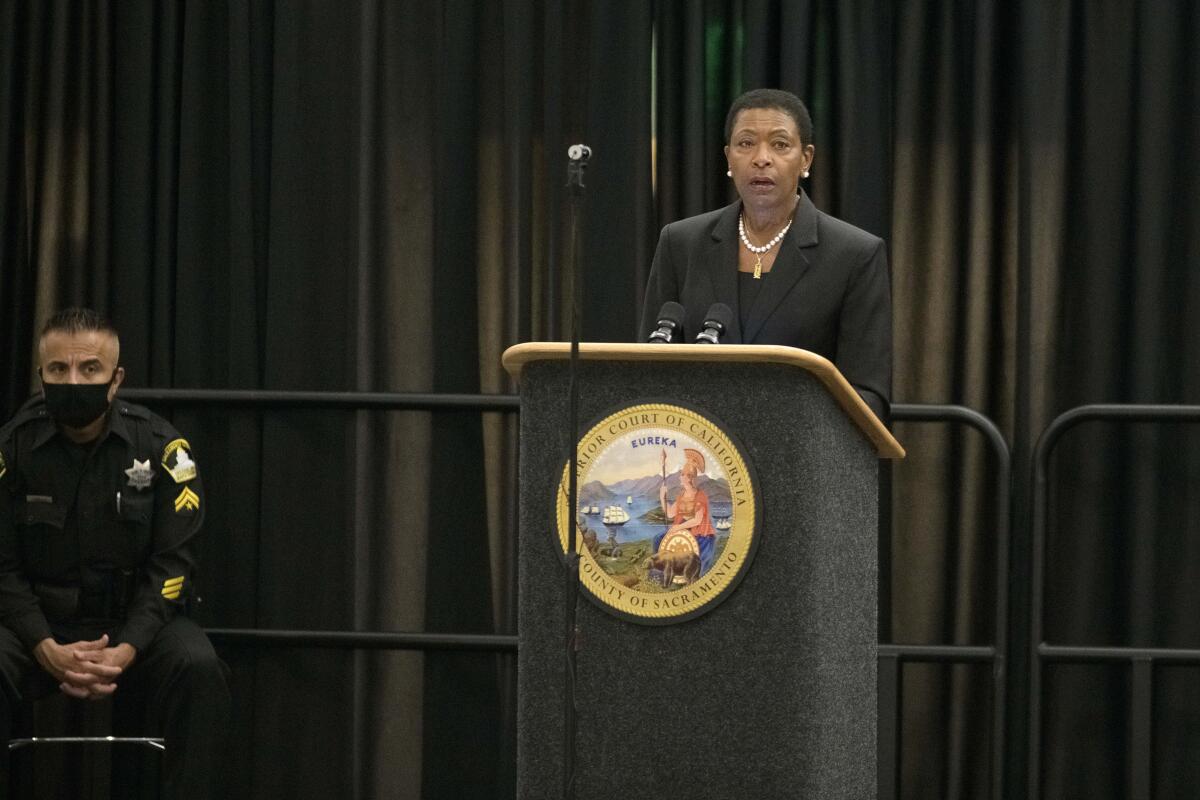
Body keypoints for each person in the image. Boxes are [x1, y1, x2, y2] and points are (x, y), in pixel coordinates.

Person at [0, 308, 229, 798]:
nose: (73, 380)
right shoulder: (12, 450)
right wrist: (43, 643)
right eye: (58, 370)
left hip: (135, 626)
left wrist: (126, 648)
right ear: (41, 375)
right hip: (37, 625)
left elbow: (174, 565)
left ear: (115, 377)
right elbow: (2, 566)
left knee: (200, 668)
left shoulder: (164, 449)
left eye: (89, 369)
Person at [639, 88, 892, 419]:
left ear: (806, 159)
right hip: (701, 452)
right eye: (746, 144)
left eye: (780, 144)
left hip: (801, 456)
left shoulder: (855, 254)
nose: (761, 158)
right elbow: (648, 369)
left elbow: (868, 396)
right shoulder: (681, 243)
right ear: (728, 158)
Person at [655, 449, 717, 573]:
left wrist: (678, 528)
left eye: (682, 474)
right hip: (684, 528)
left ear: (689, 478)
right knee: (658, 539)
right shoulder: (681, 495)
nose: (680, 476)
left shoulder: (700, 496)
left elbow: (697, 520)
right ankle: (665, 570)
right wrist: (662, 498)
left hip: (698, 532)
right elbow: (670, 513)